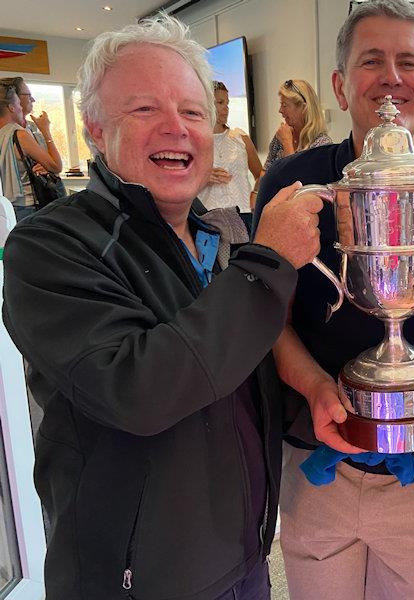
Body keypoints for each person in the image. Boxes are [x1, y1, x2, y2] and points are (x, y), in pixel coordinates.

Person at [2, 15, 323, 600]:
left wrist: (321, 407)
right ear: (96, 129)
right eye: (144, 109)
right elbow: (141, 391)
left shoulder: (208, 239)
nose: (176, 128)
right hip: (136, 583)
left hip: (243, 561)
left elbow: (226, 381)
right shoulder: (49, 247)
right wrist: (269, 262)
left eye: (193, 112)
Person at [253, 1, 414, 598]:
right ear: (341, 85)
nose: (391, 77)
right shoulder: (293, 183)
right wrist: (318, 388)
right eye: (371, 61)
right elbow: (268, 317)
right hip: (316, 459)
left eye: (408, 62)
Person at [197, 80, 261, 231]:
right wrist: (201, 177)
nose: (226, 108)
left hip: (243, 217)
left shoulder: (241, 138)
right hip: (208, 221)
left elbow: (261, 174)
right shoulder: (194, 143)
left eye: (227, 103)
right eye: (220, 102)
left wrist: (254, 195)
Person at [0, 81, 61, 220]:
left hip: (5, 207)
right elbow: (56, 166)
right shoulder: (19, 135)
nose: (21, 108)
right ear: (11, 107)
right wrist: (46, 131)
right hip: (25, 206)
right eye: (17, 104)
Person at [262, 78, 332, 173]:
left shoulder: (322, 144)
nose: (280, 110)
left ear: (303, 108)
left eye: (285, 105)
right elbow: (265, 171)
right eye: (281, 104)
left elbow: (296, 180)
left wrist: (287, 142)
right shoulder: (281, 136)